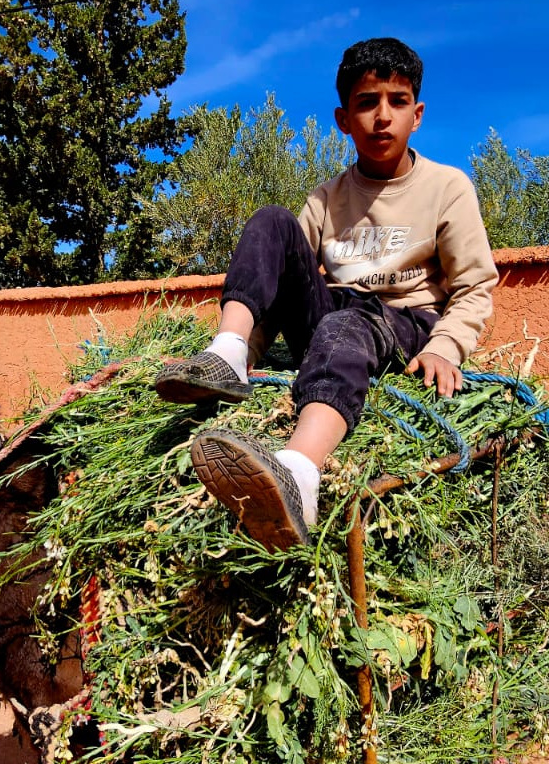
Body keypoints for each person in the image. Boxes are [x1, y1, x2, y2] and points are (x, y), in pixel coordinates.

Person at [154, 37, 498, 552]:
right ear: (343, 119)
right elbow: (282, 276)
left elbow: (474, 285)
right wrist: (252, 350)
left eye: (397, 102)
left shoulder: (448, 188)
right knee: (273, 221)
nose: (383, 116)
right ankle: (226, 355)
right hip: (335, 311)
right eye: (367, 103)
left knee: (347, 325)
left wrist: (445, 347)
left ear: (417, 114)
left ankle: (298, 473)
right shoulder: (328, 195)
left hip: (406, 323)